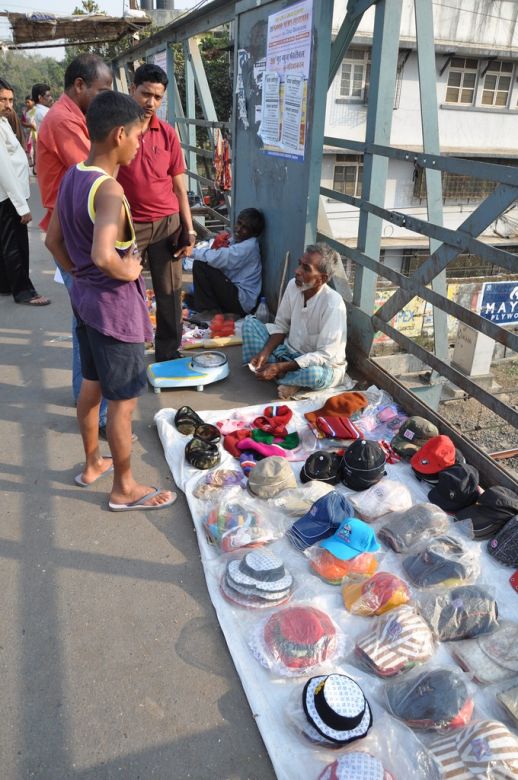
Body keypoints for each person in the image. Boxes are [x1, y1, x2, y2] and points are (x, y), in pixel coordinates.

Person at [45, 91, 176, 512]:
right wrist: (130, 271)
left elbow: (53, 240)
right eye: (138, 135)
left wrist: (79, 274)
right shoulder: (108, 190)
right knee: (122, 403)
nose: (139, 144)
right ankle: (124, 486)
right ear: (120, 133)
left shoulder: (73, 176)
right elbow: (105, 254)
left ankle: (92, 463)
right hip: (115, 314)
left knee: (92, 388)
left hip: (86, 305)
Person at [37, 54, 113, 437]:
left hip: (69, 230)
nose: (104, 100)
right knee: (93, 325)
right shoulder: (63, 120)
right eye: (101, 92)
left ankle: (87, 401)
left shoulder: (69, 116)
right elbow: (95, 165)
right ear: (79, 85)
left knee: (85, 323)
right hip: (74, 235)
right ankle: (96, 416)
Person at [117, 62, 195, 363]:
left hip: (166, 223)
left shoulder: (167, 134)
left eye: (158, 97)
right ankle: (128, 354)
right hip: (129, 224)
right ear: (131, 90)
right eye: (145, 94)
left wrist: (188, 230)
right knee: (125, 290)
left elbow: (179, 186)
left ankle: (168, 355)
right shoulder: (118, 131)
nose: (151, 103)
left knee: (170, 293)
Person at [242, 243, 347, 400]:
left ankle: (281, 375)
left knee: (313, 374)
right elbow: (281, 326)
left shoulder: (333, 303)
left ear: (321, 279)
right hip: (289, 353)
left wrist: (280, 367)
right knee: (250, 324)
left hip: (320, 365)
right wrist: (265, 353)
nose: (297, 271)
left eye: (306, 268)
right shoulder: (293, 285)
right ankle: (282, 375)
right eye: (299, 264)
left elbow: (324, 355)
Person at [0, 78, 50, 306]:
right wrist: (22, 206)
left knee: (6, 244)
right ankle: (23, 291)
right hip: (9, 197)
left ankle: (7, 285)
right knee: (16, 246)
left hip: (10, 195)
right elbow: (4, 169)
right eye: (2, 100)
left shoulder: (2, 121)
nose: (8, 105)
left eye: (10, 99)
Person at [187, 208, 264, 318]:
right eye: (239, 223)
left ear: (254, 233)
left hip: (241, 302)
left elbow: (218, 258)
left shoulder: (249, 246)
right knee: (190, 298)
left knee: (200, 264)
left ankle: (210, 311)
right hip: (234, 292)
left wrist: (189, 251)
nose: (239, 229)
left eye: (245, 228)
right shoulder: (237, 240)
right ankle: (217, 311)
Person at [21, 95, 36, 165]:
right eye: (26, 102)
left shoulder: (36, 110)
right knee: (28, 148)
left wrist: (33, 126)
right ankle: (31, 163)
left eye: (28, 102)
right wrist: (30, 125)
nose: (27, 104)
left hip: (35, 133)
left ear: (33, 102)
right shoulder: (24, 111)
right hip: (27, 133)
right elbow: (22, 122)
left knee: (35, 148)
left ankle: (35, 164)